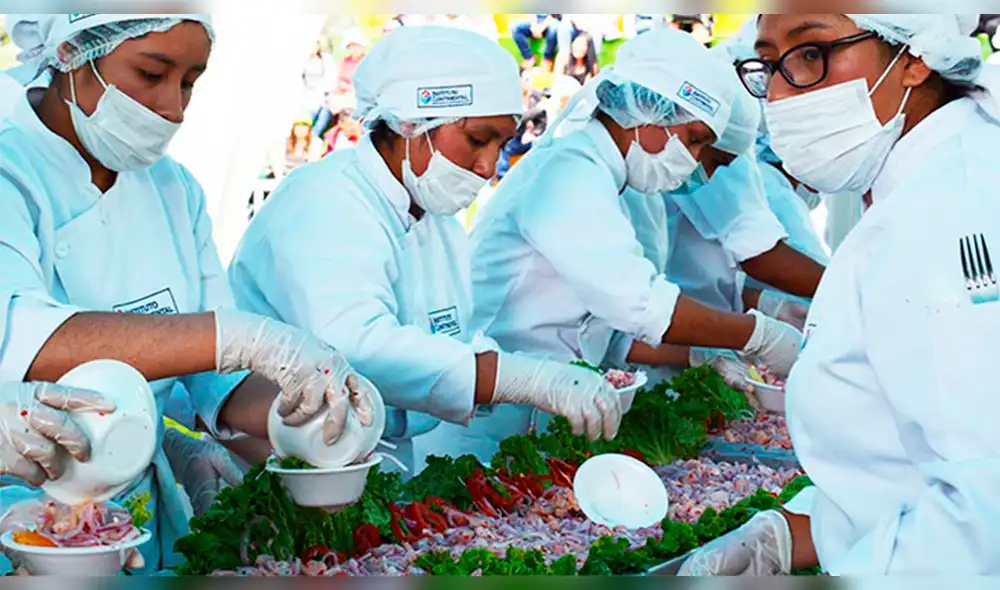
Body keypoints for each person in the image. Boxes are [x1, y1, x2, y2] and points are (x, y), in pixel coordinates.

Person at [0, 14, 373, 573]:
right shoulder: (12, 167)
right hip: (21, 519)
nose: (173, 108)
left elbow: (217, 380)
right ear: (72, 51)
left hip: (130, 523)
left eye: (190, 82)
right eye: (152, 74)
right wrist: (242, 338)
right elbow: (26, 339)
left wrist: (308, 407)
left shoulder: (172, 187)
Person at [680, 14, 1000, 575]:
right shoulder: (921, 182)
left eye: (811, 53)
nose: (780, 96)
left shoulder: (951, 208)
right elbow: (906, 459)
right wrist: (798, 530)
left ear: (915, 55)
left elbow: (982, 509)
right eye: (769, 65)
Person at [228, 25, 622, 472]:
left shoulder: (439, 222)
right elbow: (358, 348)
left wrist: (522, 377)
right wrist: (526, 379)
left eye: (501, 144)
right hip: (290, 462)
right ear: (410, 124)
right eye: (478, 140)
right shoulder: (324, 200)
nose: (488, 166)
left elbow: (449, 339)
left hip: (380, 456)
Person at [468, 29, 803, 437]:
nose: (694, 161)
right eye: (694, 141)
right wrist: (759, 335)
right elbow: (641, 304)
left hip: (547, 408)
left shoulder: (608, 178)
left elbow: (609, 329)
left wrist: (700, 355)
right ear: (651, 111)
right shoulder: (571, 172)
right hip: (494, 417)